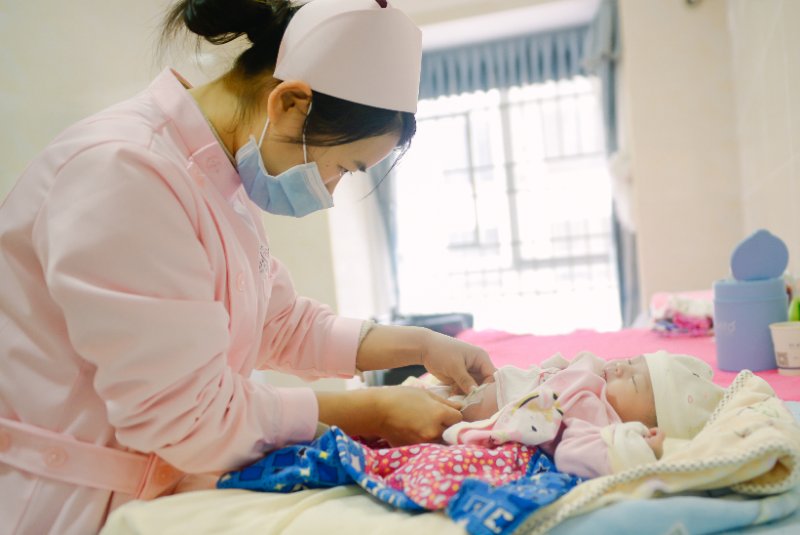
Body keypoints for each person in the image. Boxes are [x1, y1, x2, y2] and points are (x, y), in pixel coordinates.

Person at [0, 1, 496, 533]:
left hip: (153, 485)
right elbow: (187, 415)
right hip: (63, 502)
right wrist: (374, 410)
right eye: (342, 168)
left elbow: (278, 323)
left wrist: (421, 344)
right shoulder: (124, 171)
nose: (329, 192)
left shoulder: (216, 178)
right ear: (289, 104)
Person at [423, 351, 724, 479]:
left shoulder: (598, 416)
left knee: (417, 408)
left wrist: (635, 446)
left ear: (638, 423)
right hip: (479, 383)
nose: (621, 366)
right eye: (632, 361)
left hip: (462, 413)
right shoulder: (597, 378)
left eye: (633, 380)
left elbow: (579, 453)